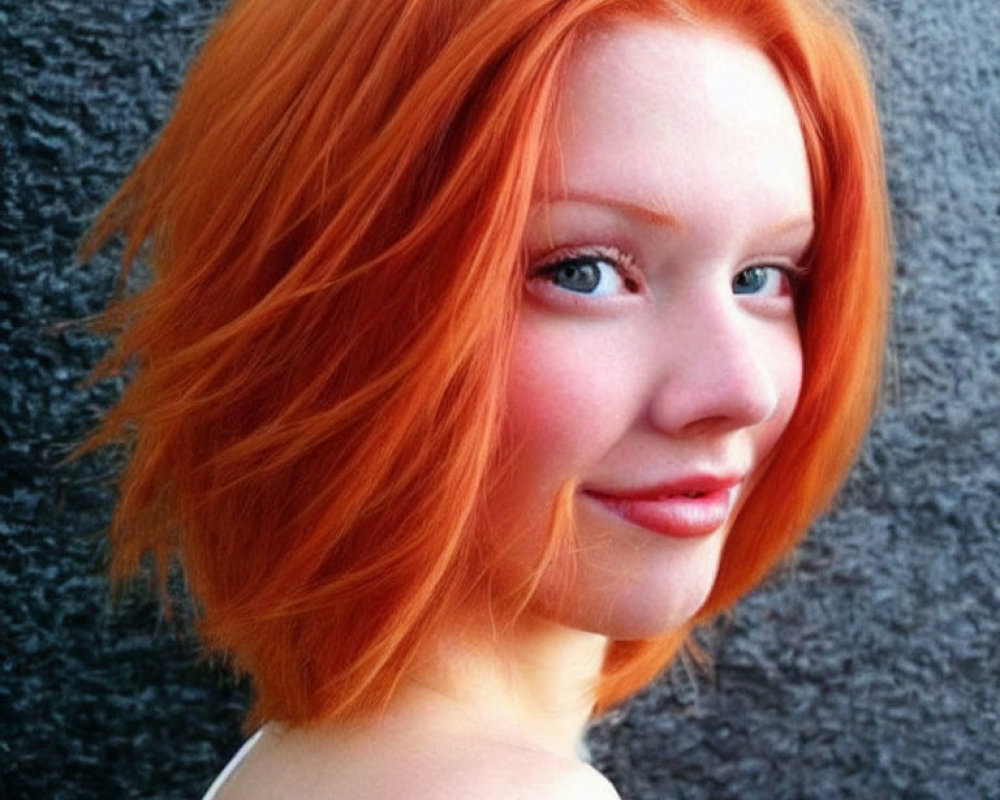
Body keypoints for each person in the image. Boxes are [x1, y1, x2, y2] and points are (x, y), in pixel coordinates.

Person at [82, 0, 891, 797]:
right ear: (334, 316)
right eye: (583, 272)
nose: (739, 390)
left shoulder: (290, 764)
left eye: (766, 278)